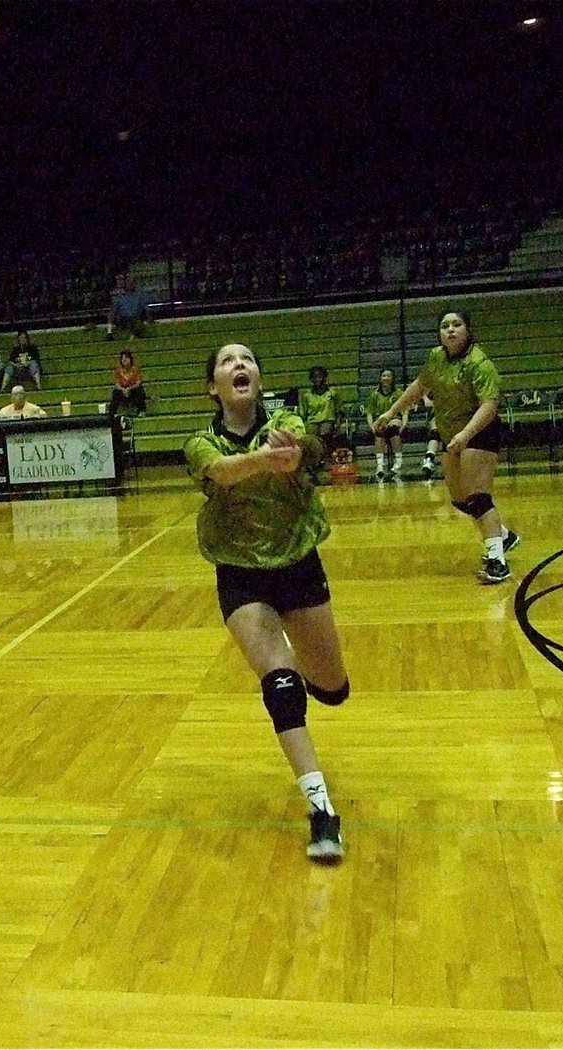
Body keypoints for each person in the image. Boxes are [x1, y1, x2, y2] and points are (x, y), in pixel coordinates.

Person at [183, 342, 350, 863]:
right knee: (279, 684)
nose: (240, 365)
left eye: (249, 359)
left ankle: (308, 671)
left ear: (257, 378)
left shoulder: (286, 420)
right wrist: (264, 460)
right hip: (239, 574)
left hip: (298, 564)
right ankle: (321, 810)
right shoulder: (200, 444)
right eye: (228, 361)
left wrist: (298, 453)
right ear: (213, 387)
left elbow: (308, 446)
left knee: (331, 685)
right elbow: (223, 471)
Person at [373, 309, 519, 584]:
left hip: (479, 432)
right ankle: (503, 535)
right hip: (451, 434)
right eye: (445, 326)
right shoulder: (436, 357)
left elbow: (489, 405)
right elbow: (419, 386)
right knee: (460, 499)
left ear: (467, 330)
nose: (450, 330)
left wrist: (466, 434)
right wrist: (390, 412)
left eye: (457, 324)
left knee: (479, 497)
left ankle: (497, 561)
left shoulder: (479, 362)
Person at [363, 368, 407, 480]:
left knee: (394, 429)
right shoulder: (374, 394)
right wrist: (371, 426)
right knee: (379, 432)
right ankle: (380, 466)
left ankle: (398, 463)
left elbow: (405, 411)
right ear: (380, 378)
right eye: (384, 376)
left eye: (389, 376)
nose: (386, 378)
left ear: (393, 378)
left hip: (394, 420)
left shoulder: (398, 393)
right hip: (380, 421)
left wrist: (404, 424)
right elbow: (369, 413)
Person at [296, 365, 343, 466]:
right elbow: (302, 413)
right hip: (312, 421)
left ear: (324, 377)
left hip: (328, 420)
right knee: (310, 435)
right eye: (314, 377)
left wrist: (338, 424)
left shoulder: (332, 393)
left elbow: (339, 411)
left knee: (324, 432)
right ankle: (314, 460)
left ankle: (326, 458)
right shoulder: (306, 396)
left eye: (319, 376)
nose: (317, 379)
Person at [107, 275, 150, 339]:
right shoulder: (118, 297)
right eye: (129, 282)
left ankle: (133, 336)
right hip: (123, 321)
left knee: (138, 323)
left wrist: (147, 321)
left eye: (133, 282)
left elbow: (146, 311)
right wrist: (109, 330)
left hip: (136, 319)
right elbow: (112, 313)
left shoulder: (140, 296)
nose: (131, 284)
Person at [108, 349, 148, 416]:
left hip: (133, 391)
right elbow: (117, 384)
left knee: (139, 390)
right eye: (122, 358)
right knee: (115, 393)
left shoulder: (136, 369)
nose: (124, 360)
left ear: (130, 359)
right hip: (123, 391)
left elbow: (138, 383)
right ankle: (112, 413)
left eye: (126, 358)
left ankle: (142, 410)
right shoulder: (118, 371)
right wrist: (123, 390)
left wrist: (129, 389)